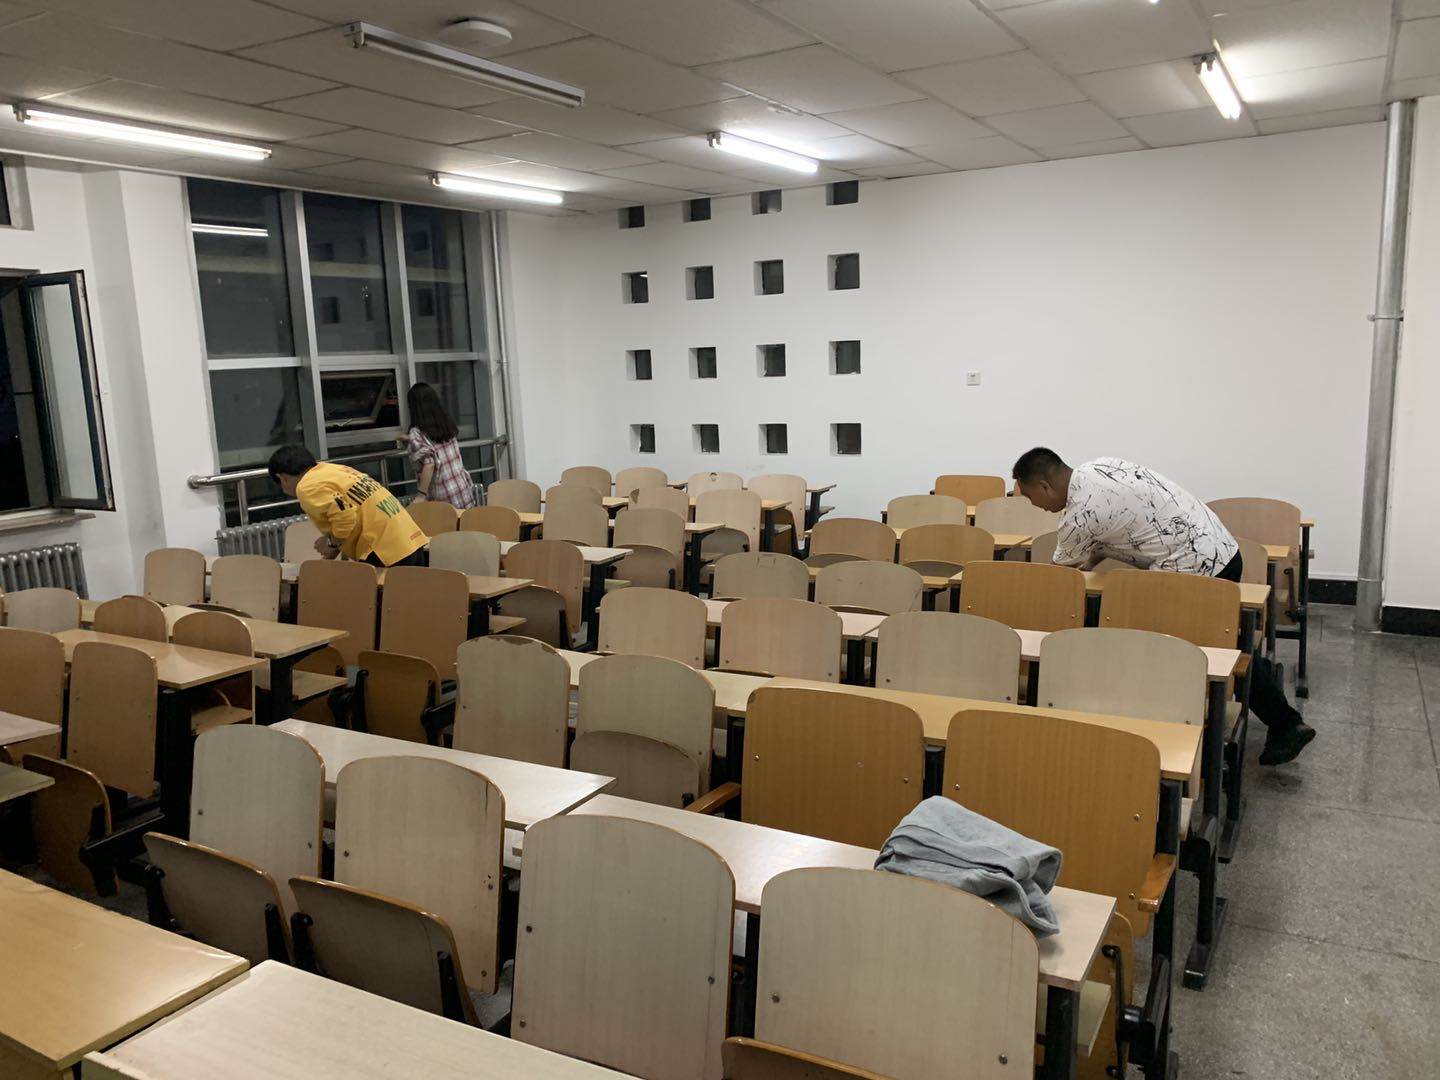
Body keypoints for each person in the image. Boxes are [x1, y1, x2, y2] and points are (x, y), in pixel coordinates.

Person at [1011, 448, 1315, 765]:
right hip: (1222, 550)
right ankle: (1282, 720)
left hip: (1195, 569)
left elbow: (1059, 576)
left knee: (1209, 651)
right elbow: (1118, 529)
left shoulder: (1079, 515)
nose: (1036, 506)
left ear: (1046, 486)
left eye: (1031, 497)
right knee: (1223, 644)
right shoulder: (1098, 467)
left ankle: (1282, 723)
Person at [268, 445, 426, 568]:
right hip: (408, 539)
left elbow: (345, 518)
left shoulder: (307, 486)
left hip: (384, 550)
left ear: (282, 478)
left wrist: (331, 544)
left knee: (376, 601)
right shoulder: (331, 470)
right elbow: (346, 512)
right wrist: (331, 549)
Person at [403, 382, 477, 511]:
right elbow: (435, 446)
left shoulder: (417, 432)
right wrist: (410, 439)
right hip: (462, 490)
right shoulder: (445, 422)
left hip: (442, 498)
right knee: (467, 523)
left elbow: (429, 464)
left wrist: (420, 496)